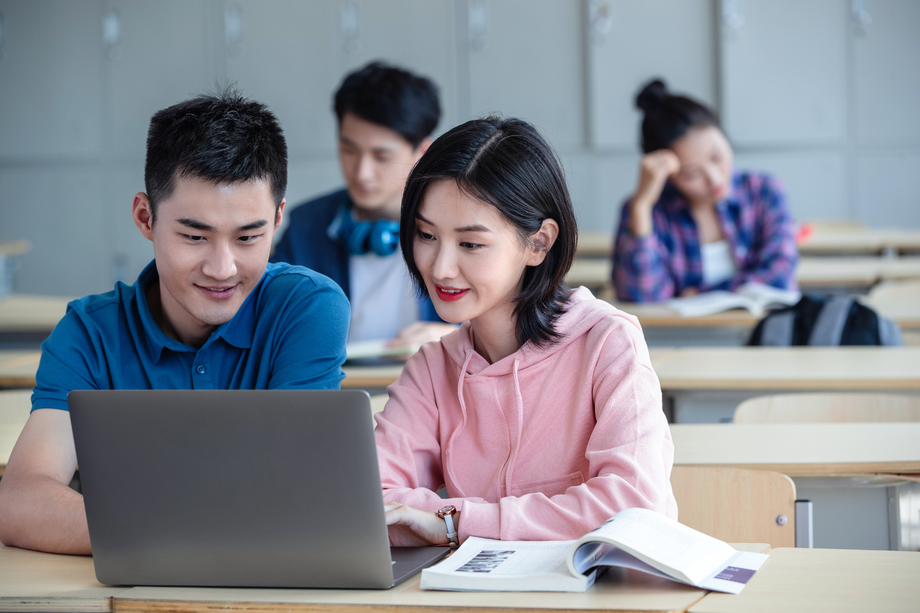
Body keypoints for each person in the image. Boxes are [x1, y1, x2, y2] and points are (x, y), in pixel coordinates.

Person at [0, 88, 350, 555]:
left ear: (278, 220)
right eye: (193, 236)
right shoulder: (89, 333)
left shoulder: (308, 307)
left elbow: (291, 492)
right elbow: (22, 501)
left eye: (249, 237)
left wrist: (140, 526)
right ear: (146, 218)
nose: (222, 268)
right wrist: (191, 532)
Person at [376, 116, 677, 546]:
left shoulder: (607, 342)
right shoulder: (432, 368)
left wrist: (453, 522)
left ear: (539, 243)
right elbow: (372, 504)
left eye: (470, 244)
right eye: (426, 235)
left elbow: (630, 507)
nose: (439, 267)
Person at [271, 61, 455, 348]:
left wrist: (458, 338)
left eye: (381, 156)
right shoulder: (307, 227)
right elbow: (269, 323)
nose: (361, 173)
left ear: (423, 150)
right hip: (335, 391)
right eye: (349, 150)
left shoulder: (460, 226)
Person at [612, 79, 798, 303]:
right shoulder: (647, 211)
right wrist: (641, 207)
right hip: (682, 337)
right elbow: (642, 296)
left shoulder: (764, 191)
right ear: (668, 175)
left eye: (717, 157)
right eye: (691, 175)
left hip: (764, 334)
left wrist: (699, 294)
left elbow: (780, 275)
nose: (715, 178)